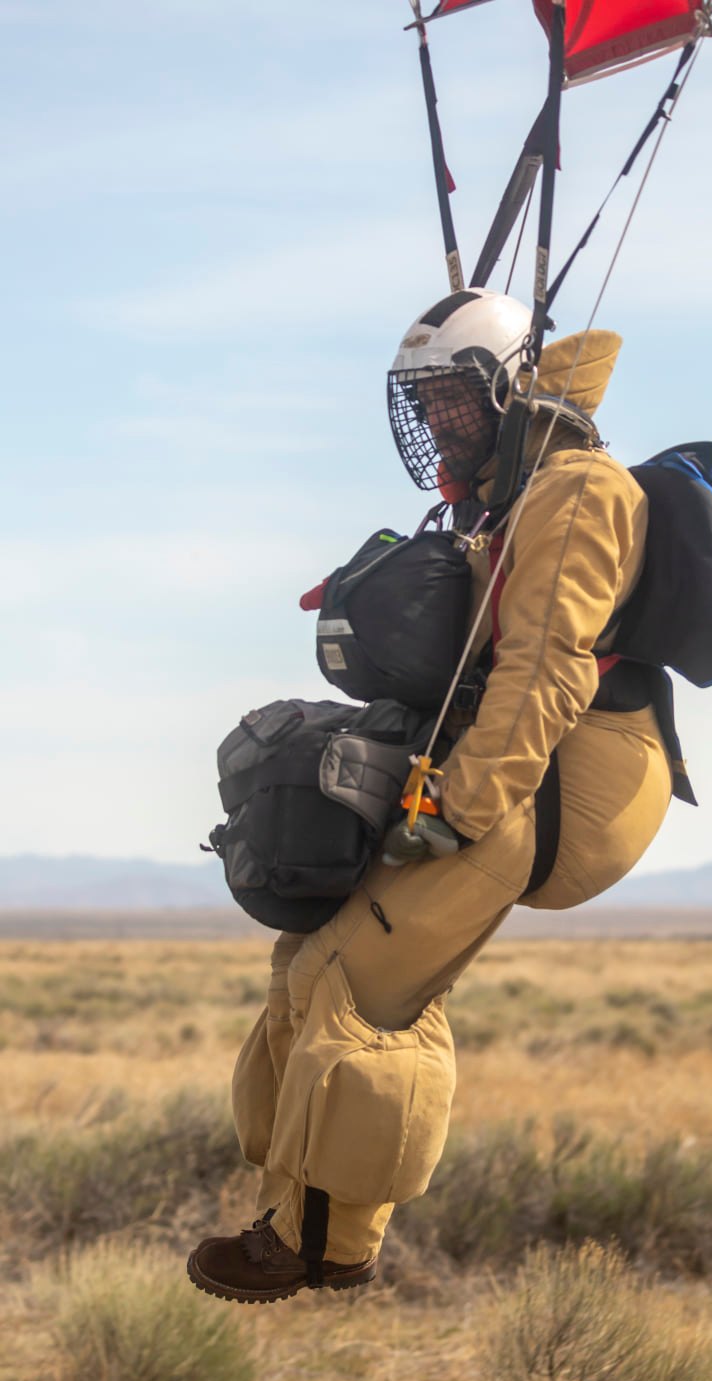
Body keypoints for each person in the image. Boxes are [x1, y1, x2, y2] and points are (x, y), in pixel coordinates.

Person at [187, 289, 683, 1303]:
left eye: (452, 398)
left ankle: (325, 1246)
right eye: (420, 404)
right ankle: (290, 1210)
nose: (434, 422)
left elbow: (545, 666)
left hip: (557, 781)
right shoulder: (510, 491)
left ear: (504, 387)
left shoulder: (575, 492)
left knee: (359, 987)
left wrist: (459, 805)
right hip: (506, 766)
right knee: (308, 958)